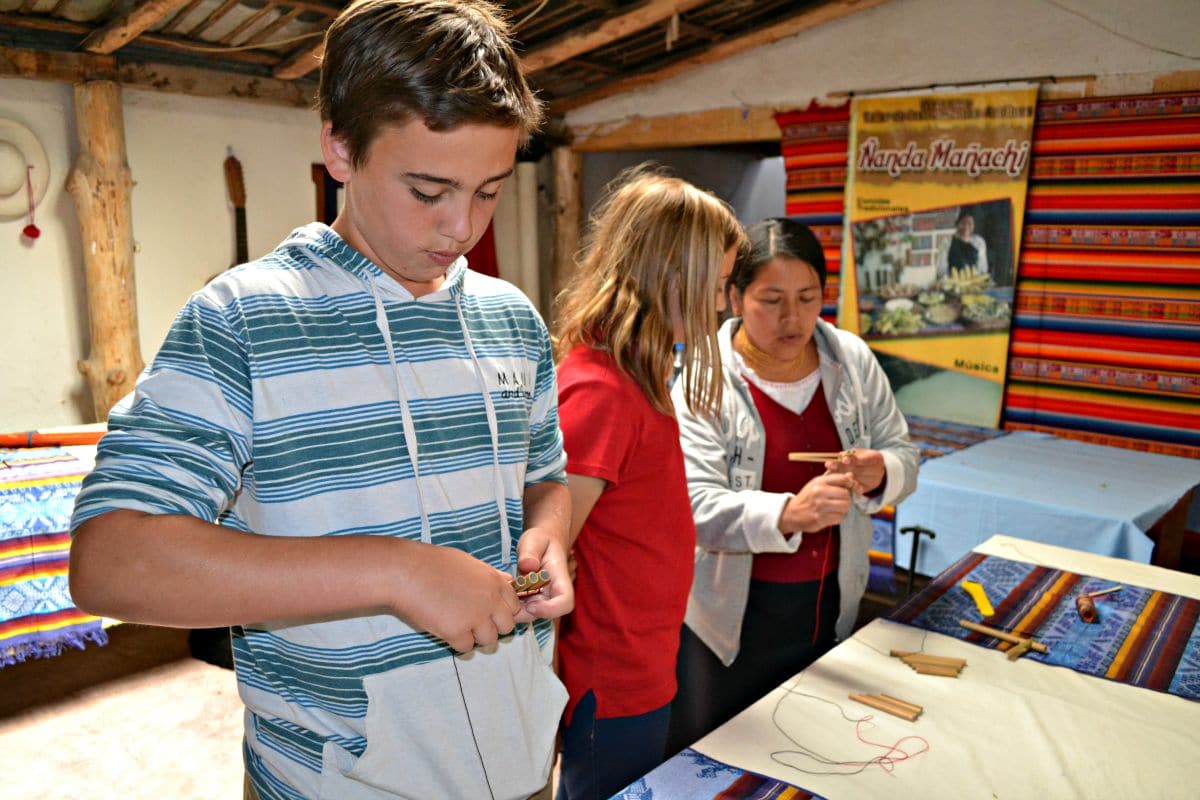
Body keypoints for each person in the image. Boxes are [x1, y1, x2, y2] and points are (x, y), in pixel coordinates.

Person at [68, 3, 573, 799]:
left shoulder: (512, 319)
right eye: (427, 189)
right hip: (336, 780)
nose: (460, 227)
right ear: (339, 147)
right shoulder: (242, 319)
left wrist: (548, 538)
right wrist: (394, 571)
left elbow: (546, 475)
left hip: (522, 762)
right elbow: (112, 561)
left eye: (488, 191)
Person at [665, 218, 919, 754]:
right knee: (726, 755)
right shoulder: (703, 376)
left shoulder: (849, 359)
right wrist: (788, 515)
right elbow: (694, 504)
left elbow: (904, 454)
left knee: (813, 749)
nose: (793, 318)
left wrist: (882, 472)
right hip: (731, 618)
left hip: (828, 603)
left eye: (808, 298)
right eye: (771, 300)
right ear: (734, 296)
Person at [552, 165, 745, 800]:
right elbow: (541, 551)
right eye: (715, 286)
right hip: (609, 680)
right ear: (670, 275)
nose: (723, 304)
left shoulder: (641, 379)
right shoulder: (601, 391)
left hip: (643, 664)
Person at [939, 207, 989, 276]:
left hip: (973, 281)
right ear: (957, 224)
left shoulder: (979, 242)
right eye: (963, 223)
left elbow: (982, 268)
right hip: (953, 282)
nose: (966, 227)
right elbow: (942, 268)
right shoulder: (947, 242)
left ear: (974, 225)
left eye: (970, 223)